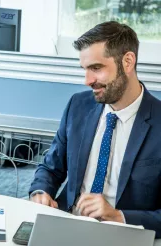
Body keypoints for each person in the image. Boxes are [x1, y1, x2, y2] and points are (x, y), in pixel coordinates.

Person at [29, 21, 161, 237]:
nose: (87, 81)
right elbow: (51, 168)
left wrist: (118, 215)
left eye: (96, 68)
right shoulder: (77, 106)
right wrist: (41, 191)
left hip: (124, 234)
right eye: (85, 69)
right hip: (67, 224)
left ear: (128, 61)